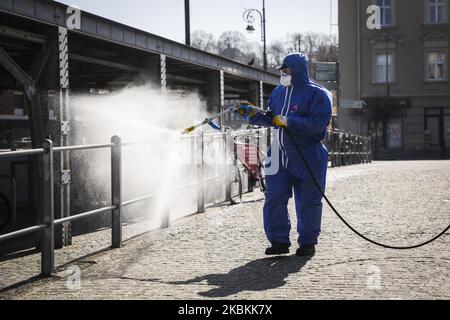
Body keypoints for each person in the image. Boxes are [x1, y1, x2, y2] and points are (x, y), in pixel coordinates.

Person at [236, 53, 332, 256]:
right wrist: (253, 114)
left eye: (286, 69)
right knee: (274, 197)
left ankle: (307, 242)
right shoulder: (278, 93)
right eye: (282, 70)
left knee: (308, 200)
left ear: (297, 70)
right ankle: (279, 241)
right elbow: (272, 118)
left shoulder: (318, 94)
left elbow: (318, 125)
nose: (283, 73)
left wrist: (290, 122)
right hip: (278, 155)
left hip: (308, 156)